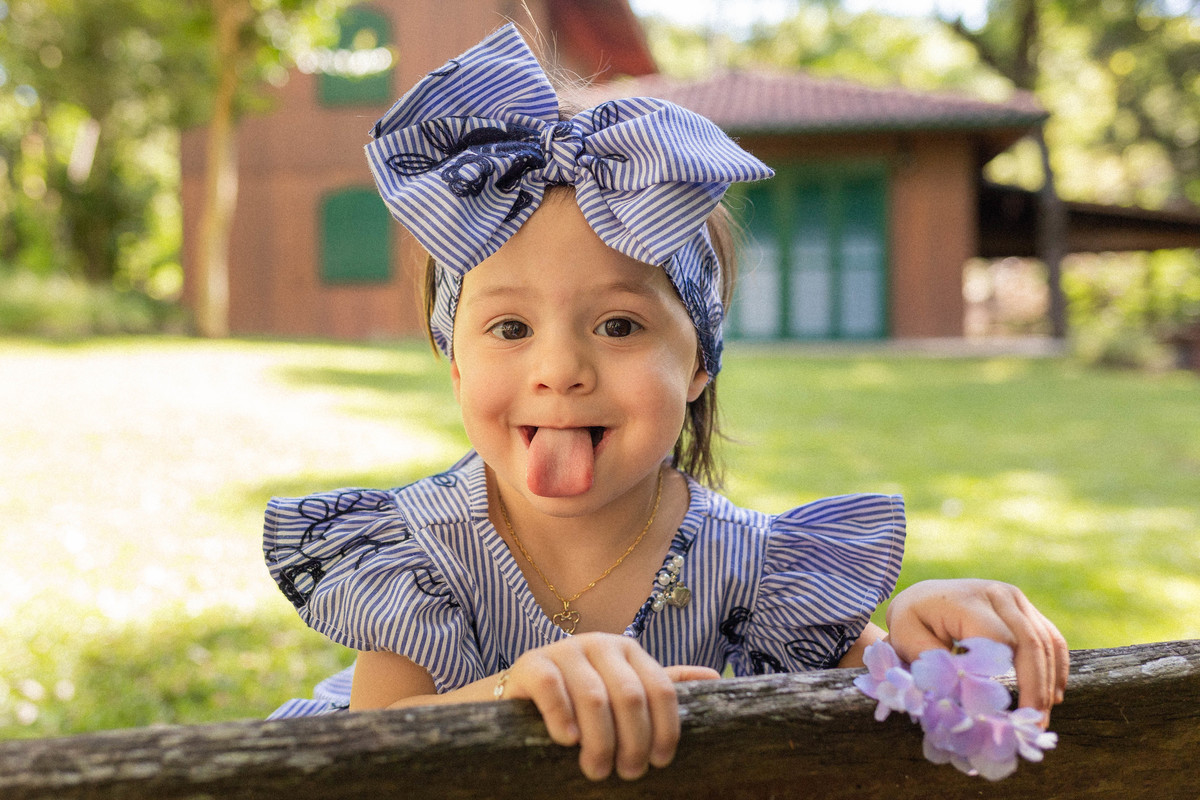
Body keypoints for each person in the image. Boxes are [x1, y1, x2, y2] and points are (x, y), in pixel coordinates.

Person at [263, 23, 1068, 783]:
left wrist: (929, 632)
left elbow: (883, 696)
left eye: (619, 324)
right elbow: (371, 758)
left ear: (698, 366)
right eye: (509, 326)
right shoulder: (415, 557)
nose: (560, 369)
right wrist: (519, 688)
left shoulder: (755, 571)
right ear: (453, 363)